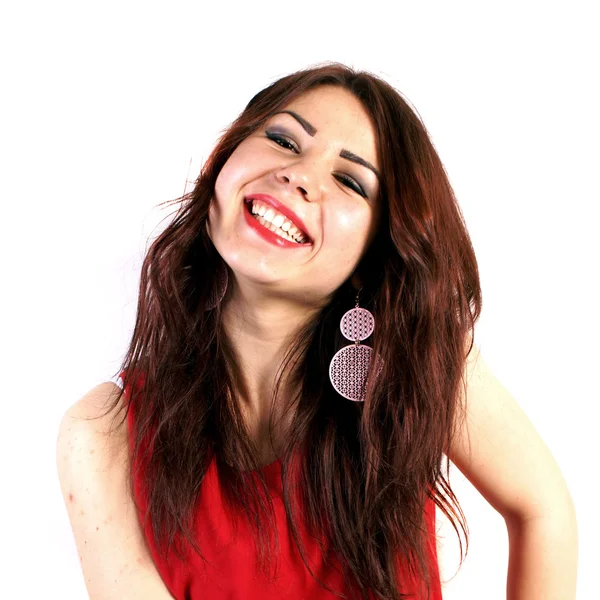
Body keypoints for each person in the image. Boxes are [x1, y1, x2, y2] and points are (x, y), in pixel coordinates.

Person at [56, 62, 578, 600]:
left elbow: (543, 510)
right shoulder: (104, 433)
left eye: (350, 180)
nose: (300, 176)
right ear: (220, 164)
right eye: (283, 140)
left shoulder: (415, 361)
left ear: (370, 254)